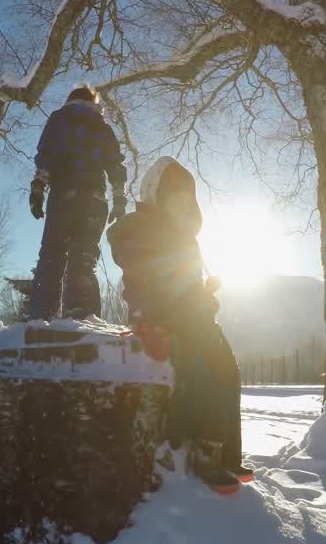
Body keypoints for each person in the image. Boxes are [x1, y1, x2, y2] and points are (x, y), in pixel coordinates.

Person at [107, 156, 252, 494]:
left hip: (193, 318)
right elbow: (139, 279)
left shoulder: (186, 240)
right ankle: (202, 450)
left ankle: (226, 451)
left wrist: (207, 293)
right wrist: (143, 317)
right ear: (156, 195)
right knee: (198, 366)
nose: (183, 206)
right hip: (161, 317)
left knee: (227, 366)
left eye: (187, 200)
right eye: (175, 199)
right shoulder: (140, 230)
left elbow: (187, 288)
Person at [28, 84, 128, 320]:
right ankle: (83, 316)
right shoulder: (101, 127)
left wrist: (38, 190)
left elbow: (46, 157)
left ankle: (42, 316)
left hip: (64, 195)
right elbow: (115, 164)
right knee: (84, 258)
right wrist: (119, 199)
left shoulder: (59, 120)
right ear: (93, 102)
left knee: (52, 254)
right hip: (95, 199)